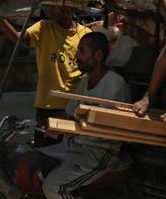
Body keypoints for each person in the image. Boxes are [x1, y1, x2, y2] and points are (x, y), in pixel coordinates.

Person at [41, 32, 133, 199]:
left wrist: (63, 131)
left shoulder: (114, 85)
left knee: (53, 186)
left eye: (82, 51)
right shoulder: (86, 81)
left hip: (99, 152)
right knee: (35, 159)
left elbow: (98, 125)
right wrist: (49, 122)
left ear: (98, 55)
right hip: (77, 146)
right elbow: (70, 113)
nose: (76, 56)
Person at [0, 5, 91, 146]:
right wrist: (0, 19)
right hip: (48, 106)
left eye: (52, 6)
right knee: (44, 153)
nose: (49, 11)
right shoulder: (44, 27)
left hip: (74, 107)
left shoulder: (85, 34)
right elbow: (20, 40)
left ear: (66, 8)